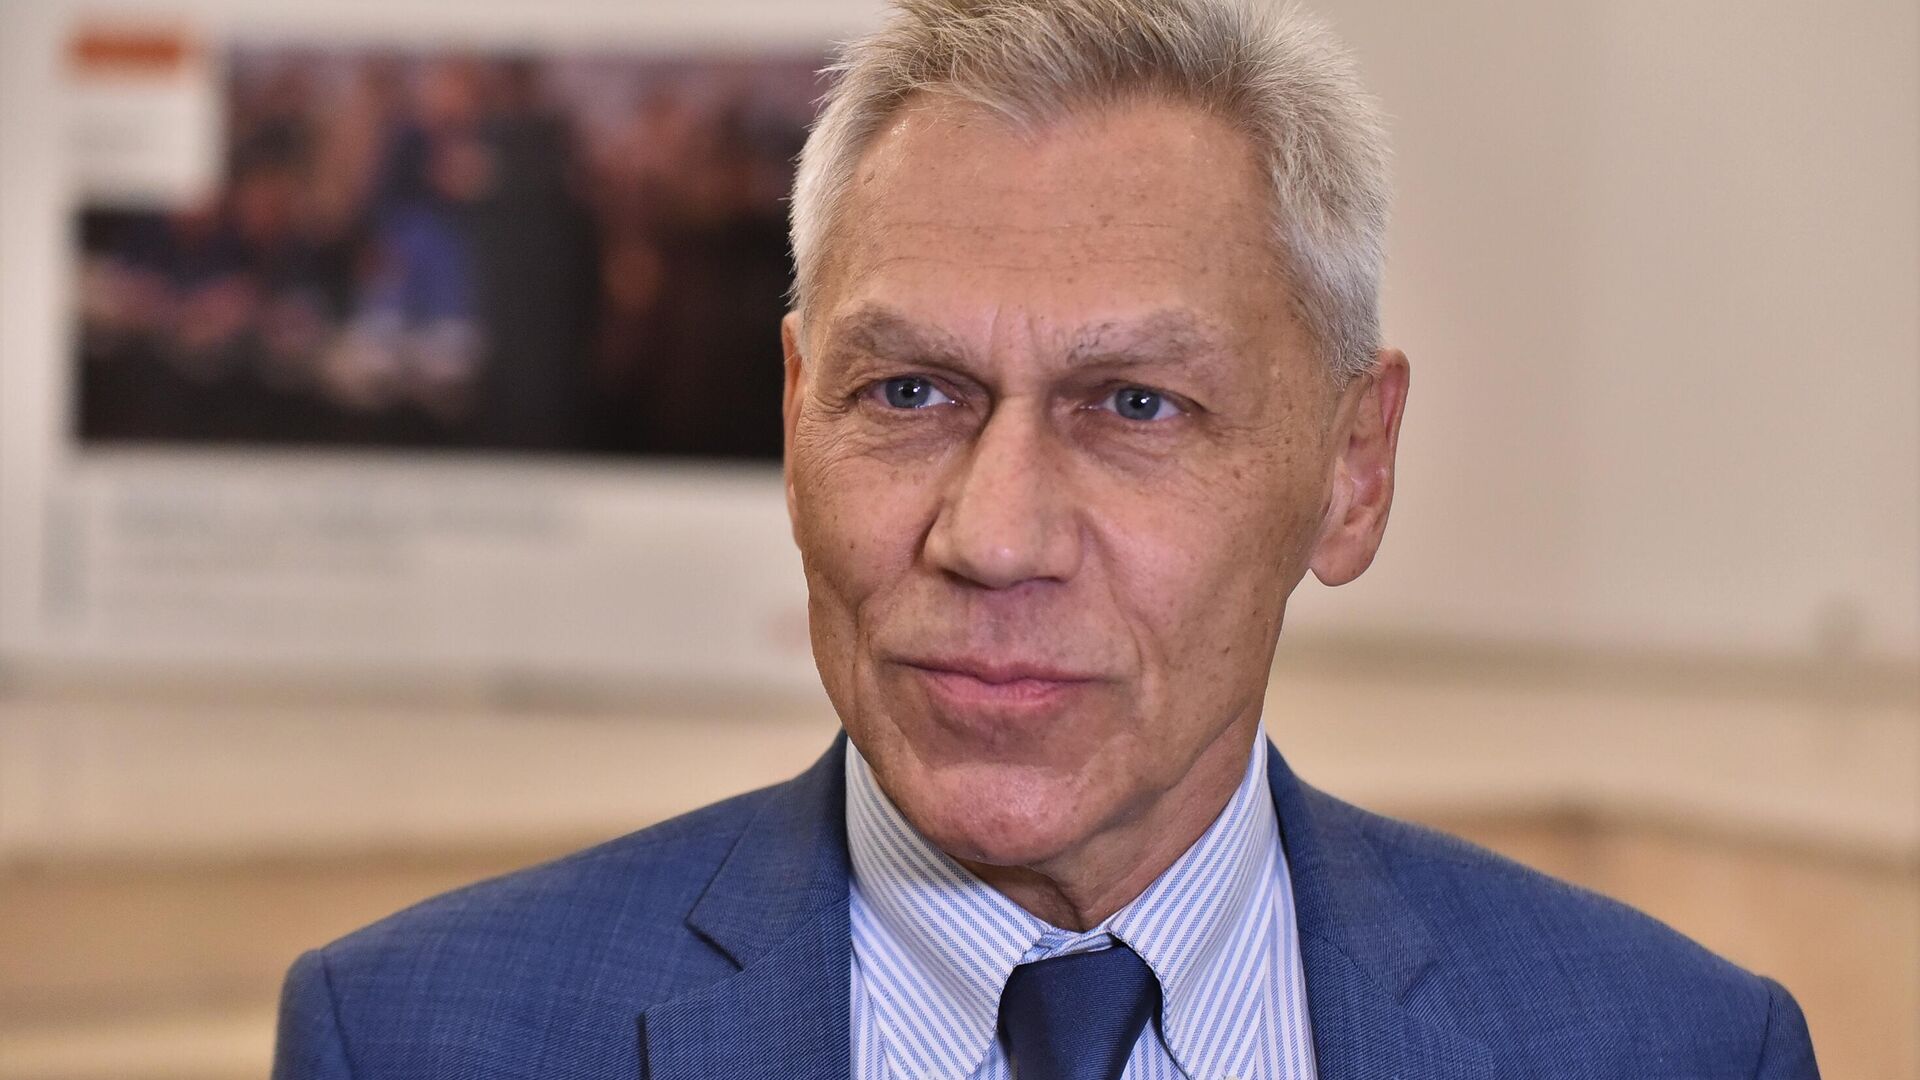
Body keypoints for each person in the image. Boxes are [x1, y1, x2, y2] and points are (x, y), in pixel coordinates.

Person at [271, 1, 1822, 1077]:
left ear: (1353, 472)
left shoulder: (1671, 1050)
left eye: (1137, 405)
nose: (995, 536)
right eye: (910, 392)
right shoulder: (416, 1041)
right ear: (798, 418)